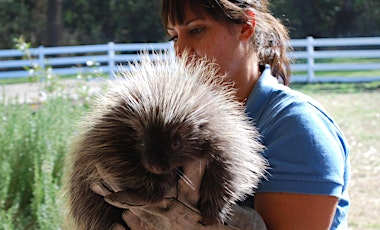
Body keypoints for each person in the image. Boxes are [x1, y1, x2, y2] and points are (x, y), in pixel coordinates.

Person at [98, 0, 350, 229]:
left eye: (196, 30)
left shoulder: (295, 126)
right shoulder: (179, 117)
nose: (182, 51)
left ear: (246, 26)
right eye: (174, 37)